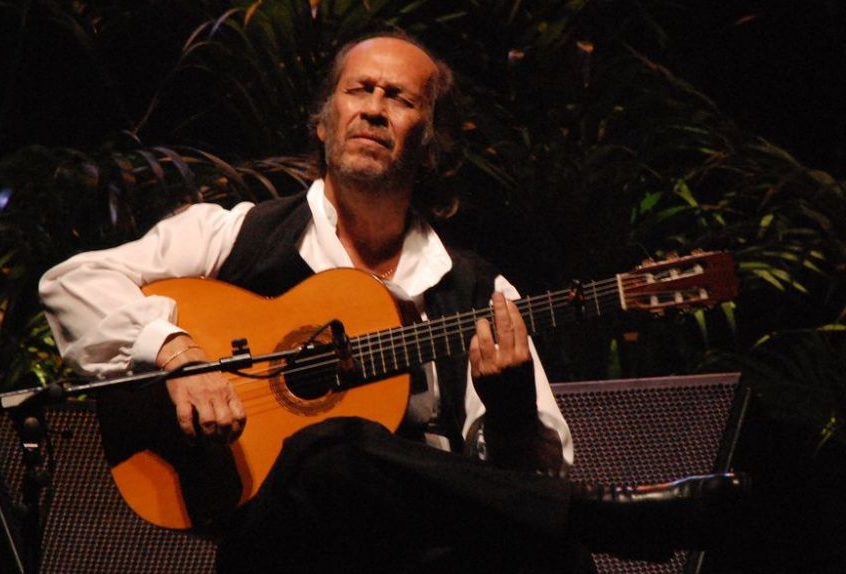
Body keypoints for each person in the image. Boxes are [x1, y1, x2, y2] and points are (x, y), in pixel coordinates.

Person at [40, 33, 746, 573]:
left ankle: (592, 528)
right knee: (332, 451)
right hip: (285, 546)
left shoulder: (479, 293)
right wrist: (176, 351)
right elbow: (70, 282)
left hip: (434, 555)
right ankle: (607, 518)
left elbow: (520, 486)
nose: (375, 108)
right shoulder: (234, 236)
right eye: (360, 90)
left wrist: (508, 410)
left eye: (401, 99)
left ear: (430, 144)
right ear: (324, 122)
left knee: (550, 554)